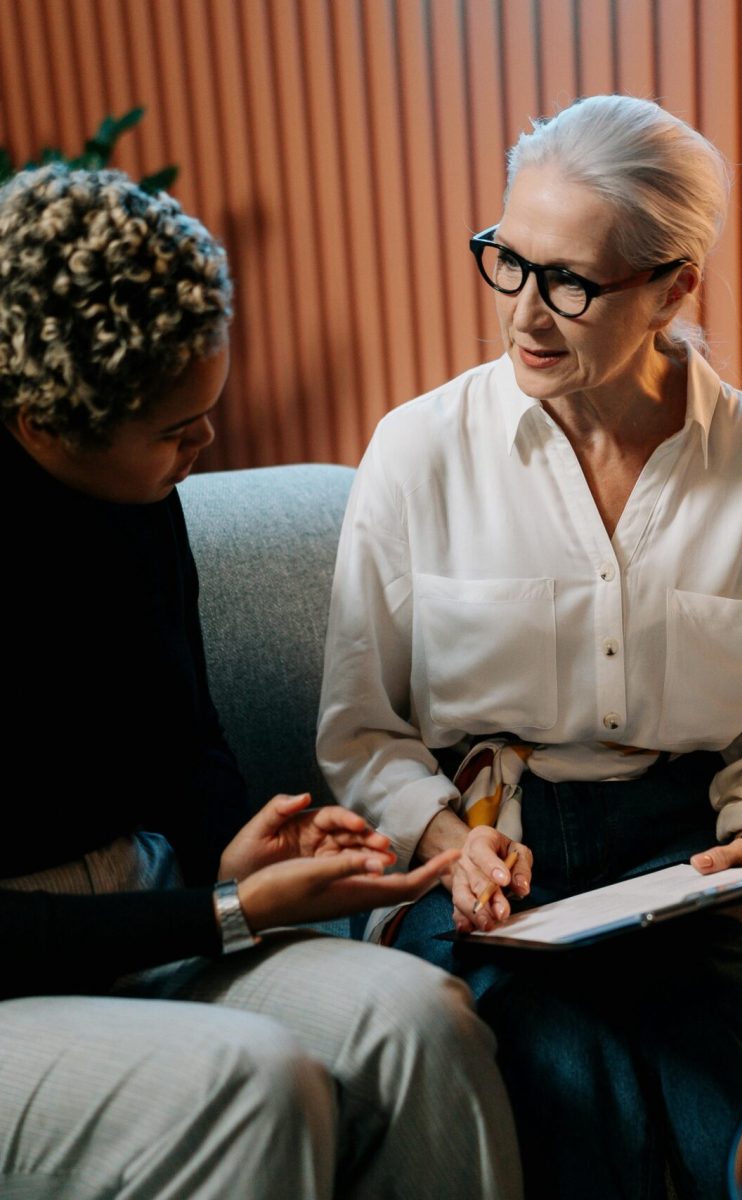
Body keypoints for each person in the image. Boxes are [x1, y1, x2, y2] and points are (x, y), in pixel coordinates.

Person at [317, 95, 742, 1200]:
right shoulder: (417, 451)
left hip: (689, 855)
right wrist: (443, 838)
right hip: (487, 850)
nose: (525, 314)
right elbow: (361, 726)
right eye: (507, 262)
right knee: (571, 1084)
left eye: (569, 282)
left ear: (673, 288)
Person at [0, 165, 522, 1200]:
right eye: (177, 431)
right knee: (253, 1083)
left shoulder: (139, 507)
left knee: (419, 1021)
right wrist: (227, 911)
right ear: (43, 426)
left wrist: (233, 850)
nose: (208, 449)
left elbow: (181, 738)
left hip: (146, 907)